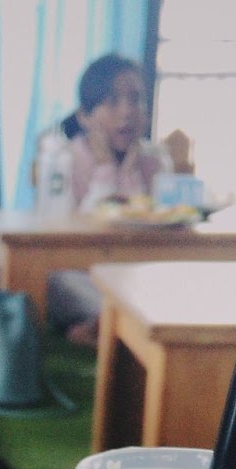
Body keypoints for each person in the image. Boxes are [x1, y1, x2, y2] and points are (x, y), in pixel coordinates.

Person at [43, 54, 172, 343]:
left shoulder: (155, 160)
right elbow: (78, 229)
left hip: (139, 272)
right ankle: (116, 326)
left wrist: (130, 171)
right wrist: (105, 170)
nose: (127, 112)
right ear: (84, 116)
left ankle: (104, 328)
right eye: (112, 101)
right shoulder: (65, 160)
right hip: (83, 271)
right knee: (58, 284)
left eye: (136, 99)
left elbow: (155, 222)